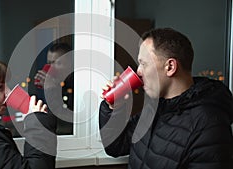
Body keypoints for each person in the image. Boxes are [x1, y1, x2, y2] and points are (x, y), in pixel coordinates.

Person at [99, 28, 233, 169]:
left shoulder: (208, 125)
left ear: (170, 67)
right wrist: (113, 107)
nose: (138, 71)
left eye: (143, 63)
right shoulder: (155, 108)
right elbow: (115, 146)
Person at [34, 43, 74, 135]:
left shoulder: (77, 86)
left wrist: (51, 89)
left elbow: (64, 119)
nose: (52, 67)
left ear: (71, 64)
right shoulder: (55, 84)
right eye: (49, 63)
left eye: (58, 63)